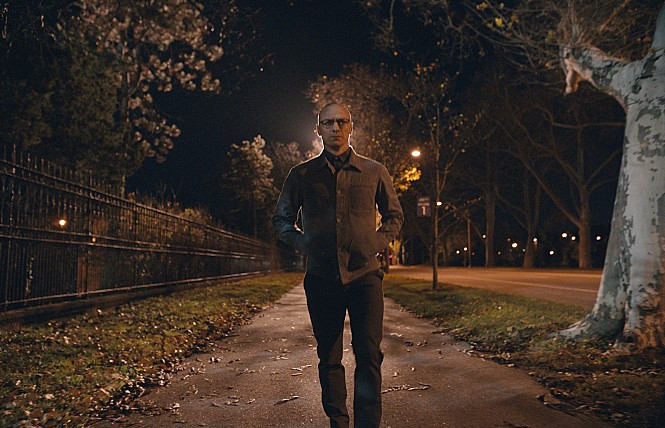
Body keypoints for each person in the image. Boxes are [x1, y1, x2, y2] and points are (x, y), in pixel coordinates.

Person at [272, 103, 403, 427]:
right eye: (328, 123)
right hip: (322, 278)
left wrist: (373, 243)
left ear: (351, 126)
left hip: (364, 277)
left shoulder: (374, 171)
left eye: (341, 122)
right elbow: (281, 220)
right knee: (329, 356)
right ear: (318, 129)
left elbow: (394, 216)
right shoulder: (302, 175)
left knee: (369, 355)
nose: (335, 128)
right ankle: (339, 421)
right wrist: (307, 245)